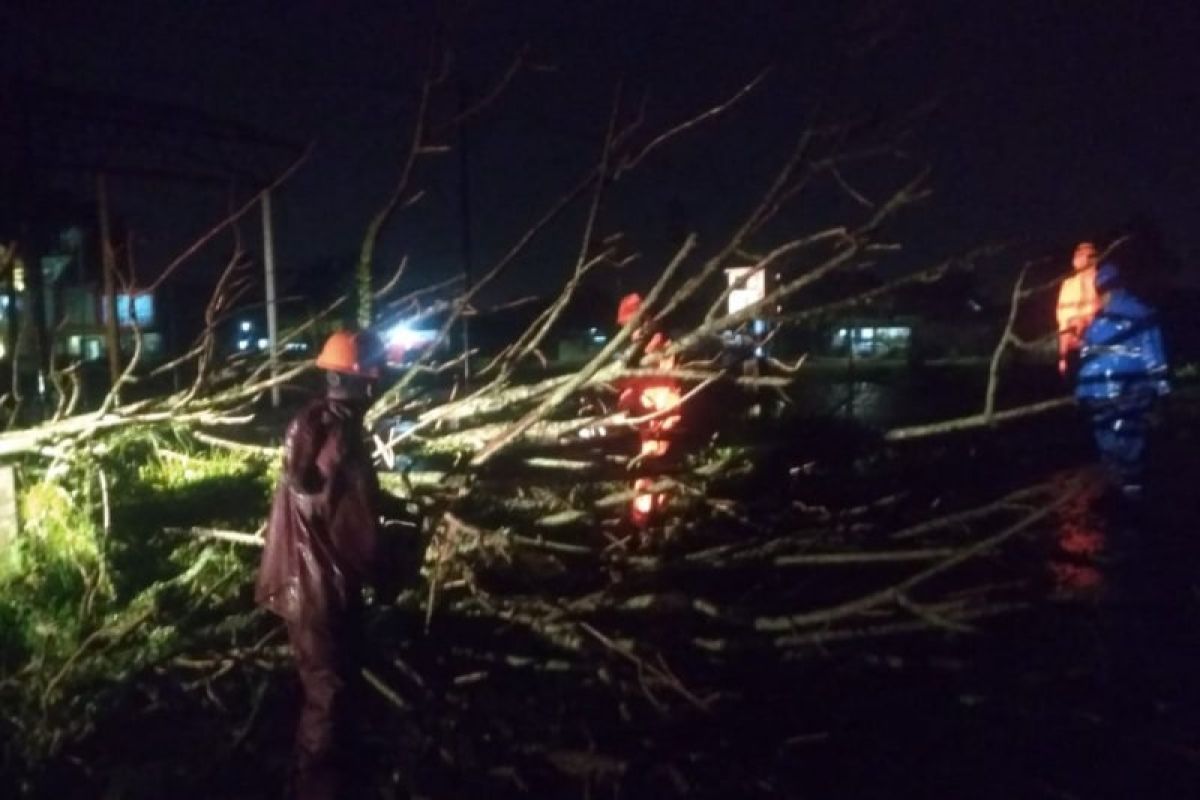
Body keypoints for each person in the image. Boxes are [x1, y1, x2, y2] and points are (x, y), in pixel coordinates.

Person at [255, 328, 394, 800]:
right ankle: (315, 787)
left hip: (299, 583)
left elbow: (318, 504)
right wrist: (389, 572)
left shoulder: (309, 426)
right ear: (362, 383)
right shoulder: (345, 445)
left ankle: (318, 779)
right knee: (328, 695)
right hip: (323, 588)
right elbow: (361, 534)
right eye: (375, 377)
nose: (378, 386)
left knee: (326, 685)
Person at [1075, 263, 1170, 498]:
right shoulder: (1143, 314)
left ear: (1101, 291)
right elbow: (1153, 353)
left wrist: (1082, 391)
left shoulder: (1096, 325)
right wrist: (1162, 388)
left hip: (1095, 390)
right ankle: (1130, 493)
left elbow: (1086, 358)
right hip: (1129, 385)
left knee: (1106, 436)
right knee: (1129, 436)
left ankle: (1114, 490)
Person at [614, 293, 682, 529]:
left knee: (648, 468)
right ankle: (656, 517)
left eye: (629, 325)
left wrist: (626, 395)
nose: (628, 333)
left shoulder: (657, 348)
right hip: (651, 416)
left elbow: (643, 383)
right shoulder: (643, 350)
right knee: (652, 468)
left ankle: (643, 521)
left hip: (659, 415)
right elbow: (629, 386)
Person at [1056, 241, 1103, 379]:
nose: (1079, 257)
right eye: (1078, 253)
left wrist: (1086, 321)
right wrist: (1062, 356)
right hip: (1073, 347)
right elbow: (1063, 322)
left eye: (1085, 254)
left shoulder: (1102, 280)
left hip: (1097, 342)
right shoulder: (1068, 285)